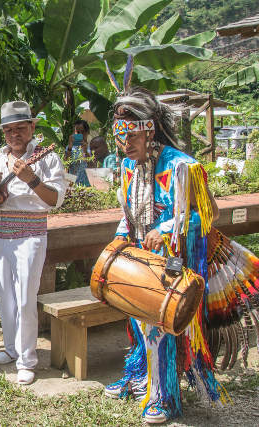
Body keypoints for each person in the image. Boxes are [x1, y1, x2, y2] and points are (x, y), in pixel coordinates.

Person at [102, 87, 254, 424]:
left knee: (160, 330)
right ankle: (139, 376)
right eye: (118, 134)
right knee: (138, 323)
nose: (124, 143)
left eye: (131, 134)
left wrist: (169, 228)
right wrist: (120, 239)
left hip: (176, 264)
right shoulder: (128, 167)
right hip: (141, 262)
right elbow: (128, 213)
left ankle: (164, 396)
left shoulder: (184, 166)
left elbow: (208, 213)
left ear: (149, 129)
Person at [0, 101, 66, 385]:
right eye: (8, 130)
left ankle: (26, 360)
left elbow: (55, 200)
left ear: (33, 127)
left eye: (20, 128)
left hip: (31, 235)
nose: (14, 134)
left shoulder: (46, 159)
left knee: (24, 298)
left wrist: (31, 179)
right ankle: (10, 349)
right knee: (4, 297)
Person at [64, 119, 90, 186]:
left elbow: (92, 166)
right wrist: (70, 147)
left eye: (83, 132)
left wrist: (85, 151)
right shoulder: (70, 148)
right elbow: (66, 164)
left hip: (87, 184)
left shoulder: (92, 147)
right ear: (74, 133)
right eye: (78, 132)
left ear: (87, 132)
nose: (80, 134)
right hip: (72, 183)